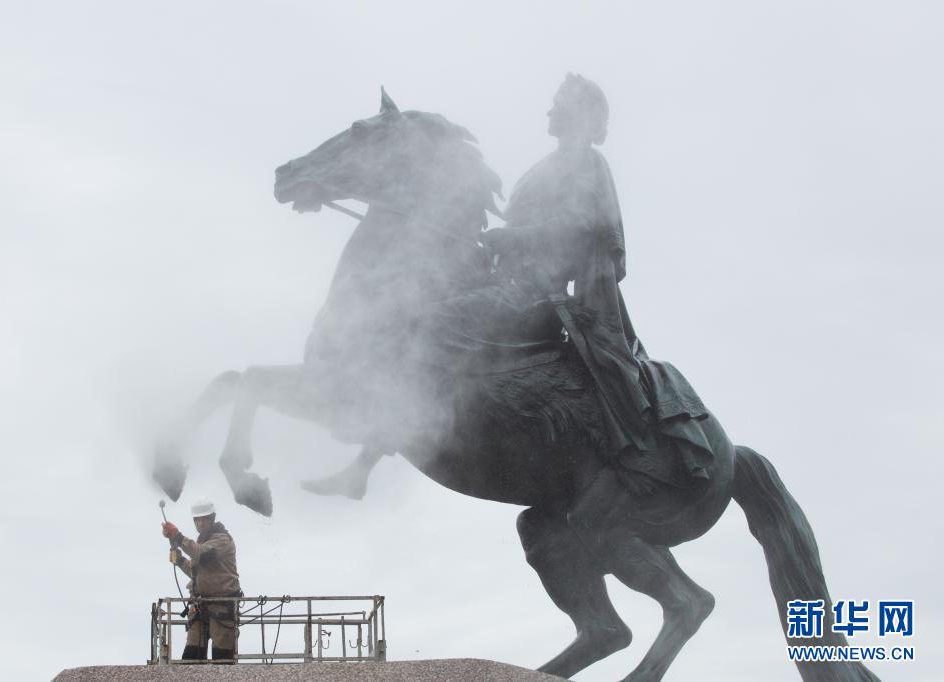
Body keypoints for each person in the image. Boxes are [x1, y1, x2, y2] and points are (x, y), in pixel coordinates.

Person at [303, 73, 712, 500]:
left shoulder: (586, 163)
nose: (550, 110)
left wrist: (512, 239)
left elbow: (583, 224)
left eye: (559, 103)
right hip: (510, 281)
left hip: (534, 294)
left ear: (580, 113)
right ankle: (371, 457)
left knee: (422, 327)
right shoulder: (545, 168)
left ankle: (368, 461)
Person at [161, 498, 242, 662]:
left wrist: (178, 537)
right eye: (197, 519)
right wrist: (180, 560)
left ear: (212, 519)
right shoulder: (202, 542)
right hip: (200, 606)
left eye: (204, 519)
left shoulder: (222, 540)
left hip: (221, 606)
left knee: (222, 659)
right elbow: (197, 572)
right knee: (191, 656)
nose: (201, 523)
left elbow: (203, 555)